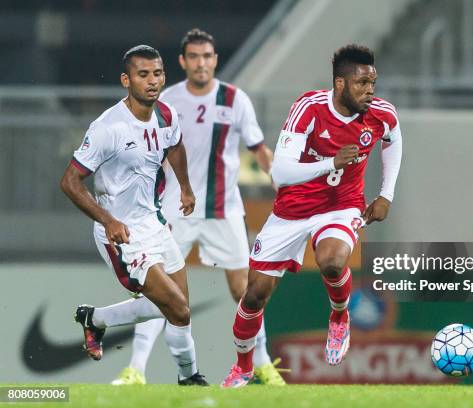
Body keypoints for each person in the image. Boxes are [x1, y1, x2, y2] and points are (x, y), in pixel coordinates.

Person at [221, 44, 403, 388]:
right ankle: (243, 367)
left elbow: (393, 139)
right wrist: (330, 162)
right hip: (292, 211)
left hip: (342, 205)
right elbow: (282, 173)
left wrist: (386, 193)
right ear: (340, 84)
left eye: (373, 82)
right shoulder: (309, 108)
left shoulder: (381, 114)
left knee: (332, 261)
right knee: (254, 294)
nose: (370, 90)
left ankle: (339, 316)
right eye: (362, 83)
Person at [111, 29, 283, 386]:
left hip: (224, 210)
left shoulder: (235, 100)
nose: (201, 63)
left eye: (207, 56)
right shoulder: (167, 102)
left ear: (215, 60)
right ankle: (136, 370)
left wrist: (282, 182)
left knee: (246, 290)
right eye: (194, 57)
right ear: (182, 62)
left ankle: (262, 365)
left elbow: (258, 150)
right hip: (174, 210)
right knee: (160, 290)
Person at [60, 45, 207, 386]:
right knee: (179, 308)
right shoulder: (108, 127)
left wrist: (184, 187)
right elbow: (69, 181)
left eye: (157, 74)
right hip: (120, 233)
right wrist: (107, 220)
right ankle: (189, 379)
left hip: (154, 223)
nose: (152, 81)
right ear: (126, 80)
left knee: (178, 307)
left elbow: (175, 145)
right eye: (143, 75)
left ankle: (94, 319)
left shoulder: (166, 115)